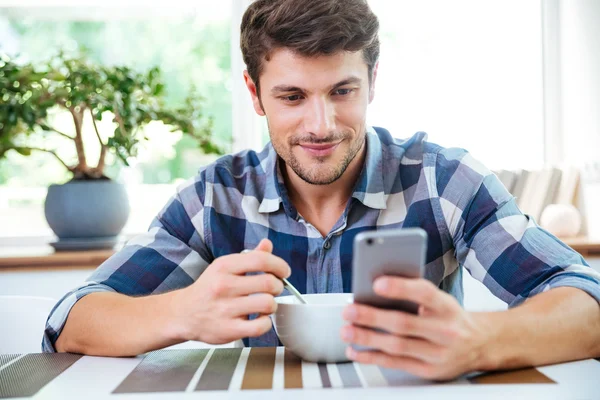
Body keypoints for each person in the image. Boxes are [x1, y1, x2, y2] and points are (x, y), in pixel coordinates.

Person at [44, 0, 600, 380]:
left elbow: (587, 301)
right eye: (291, 97)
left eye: (342, 90)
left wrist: (479, 339)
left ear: (373, 81)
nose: (322, 125)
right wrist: (183, 312)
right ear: (254, 93)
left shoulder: (443, 182)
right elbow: (71, 320)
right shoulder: (217, 197)